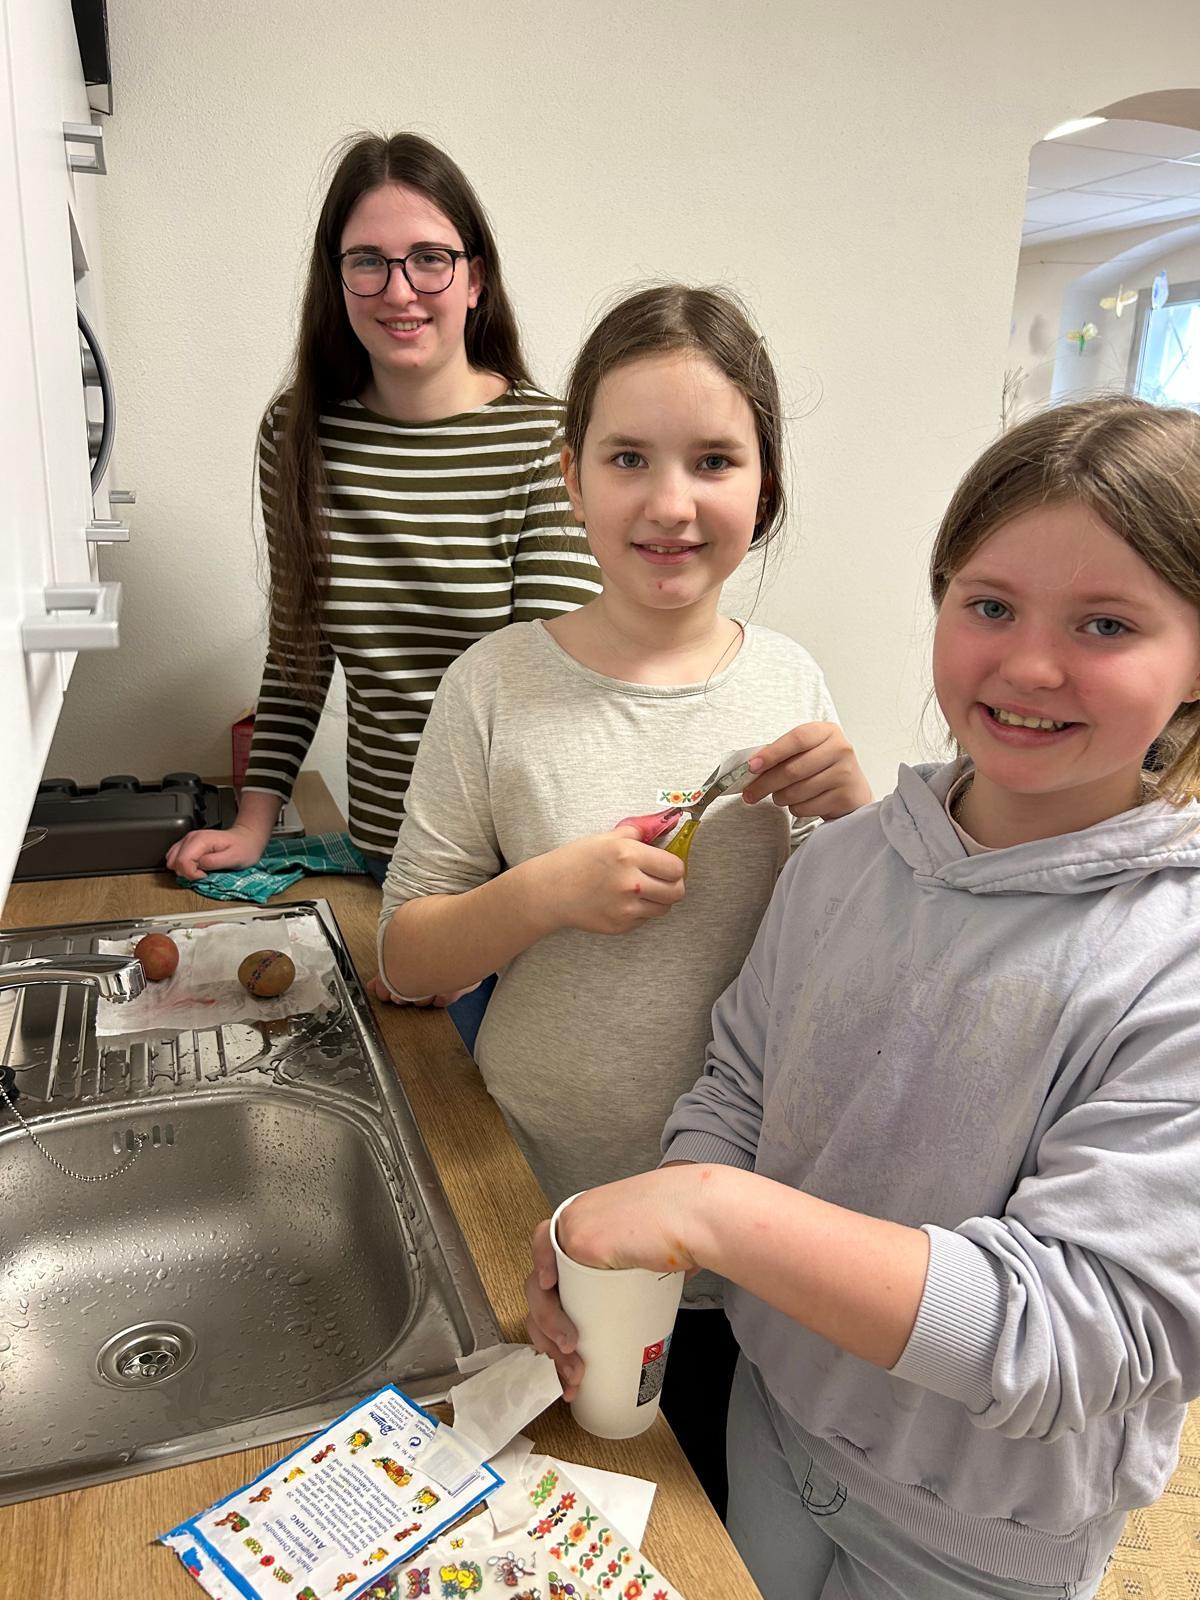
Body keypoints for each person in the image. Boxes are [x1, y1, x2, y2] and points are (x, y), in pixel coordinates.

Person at [527, 394, 1200, 1598]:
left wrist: (709, 1211)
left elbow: (1077, 1326)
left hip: (983, 1530)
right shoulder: (840, 863)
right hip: (774, 1420)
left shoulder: (1172, 954)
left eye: (1106, 623)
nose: (1028, 664)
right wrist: (647, 1251)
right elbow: (738, 1086)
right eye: (989, 605)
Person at [378, 284, 871, 1512]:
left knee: (698, 1510)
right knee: (540, 1510)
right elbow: (405, 957)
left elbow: (859, 960)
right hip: (526, 1195)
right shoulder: (495, 686)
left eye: (714, 460)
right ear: (572, 477)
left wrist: (858, 815)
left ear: (764, 483)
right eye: (629, 458)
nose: (670, 502)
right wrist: (544, 892)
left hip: (737, 1221)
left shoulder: (792, 680)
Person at [165, 132, 599, 1043]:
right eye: (368, 261)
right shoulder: (298, 432)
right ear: (337, 281)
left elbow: (545, 694)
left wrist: (474, 928)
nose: (400, 291)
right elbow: (299, 648)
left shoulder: (546, 440)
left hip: (507, 874)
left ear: (475, 279)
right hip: (379, 853)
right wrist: (254, 821)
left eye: (430, 259)